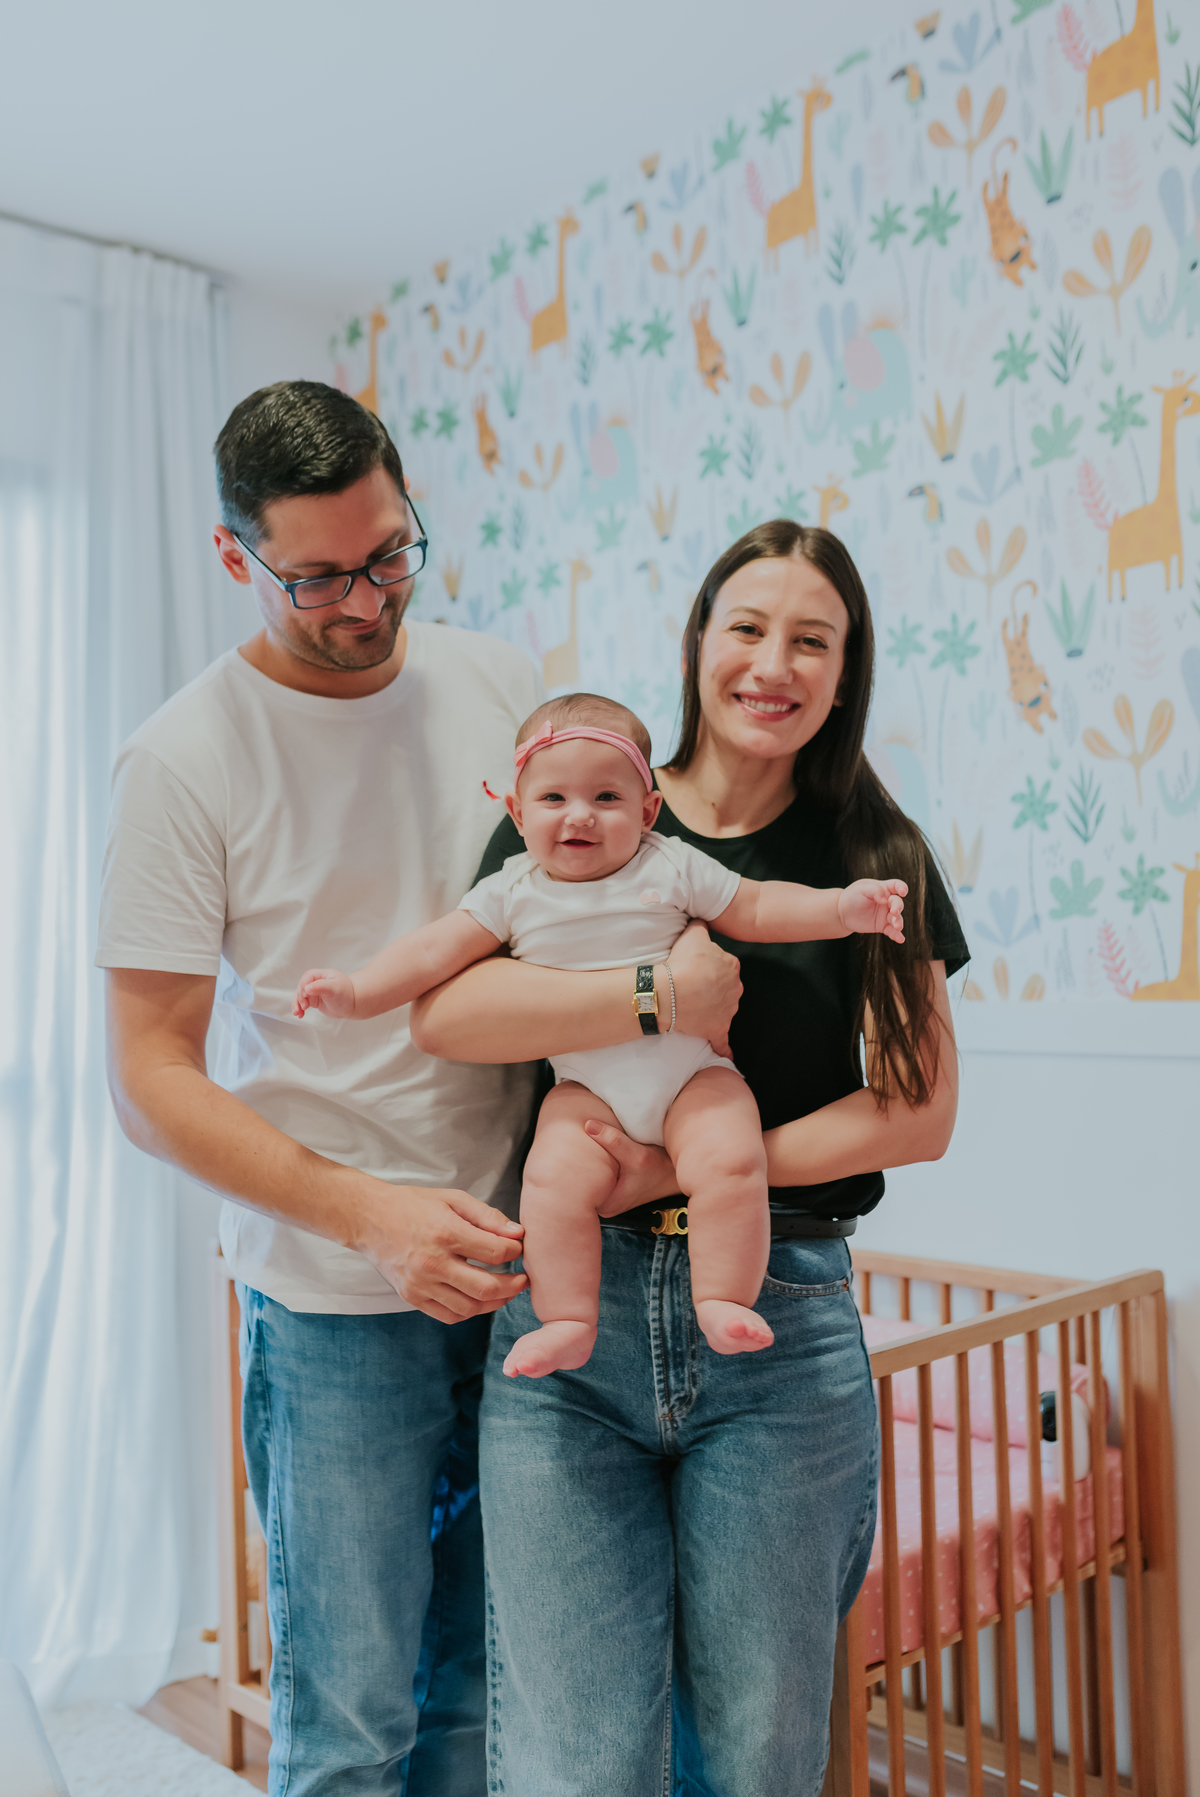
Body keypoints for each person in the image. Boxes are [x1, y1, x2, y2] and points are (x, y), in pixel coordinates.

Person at [95, 380, 742, 1797]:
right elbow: (146, 1081)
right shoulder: (183, 762)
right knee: (355, 1721)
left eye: (390, 553)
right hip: (339, 1305)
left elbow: (576, 915)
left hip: (532, 1261)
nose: (363, 598)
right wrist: (369, 1216)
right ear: (234, 560)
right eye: (316, 575)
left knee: (487, 1697)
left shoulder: (504, 683)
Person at [410, 521, 970, 1796]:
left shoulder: (875, 861)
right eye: (749, 628)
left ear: (846, 671)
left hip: (779, 1318)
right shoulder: (582, 799)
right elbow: (447, 1013)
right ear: (699, 645)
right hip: (574, 1313)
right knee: (572, 1754)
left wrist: (680, 1170)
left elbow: (917, 1112)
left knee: (760, 1754)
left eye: (812, 640)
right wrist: (657, 995)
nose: (775, 664)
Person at [293, 691, 907, 1376]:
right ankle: (568, 1318)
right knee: (552, 1180)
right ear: (517, 812)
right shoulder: (511, 889)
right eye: (553, 798)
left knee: (732, 1161)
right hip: (587, 1088)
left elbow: (759, 904)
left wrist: (843, 908)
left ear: (647, 810)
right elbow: (432, 953)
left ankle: (722, 1298)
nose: (579, 814)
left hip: (691, 1073)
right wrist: (357, 992)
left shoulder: (670, 863)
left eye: (607, 797)